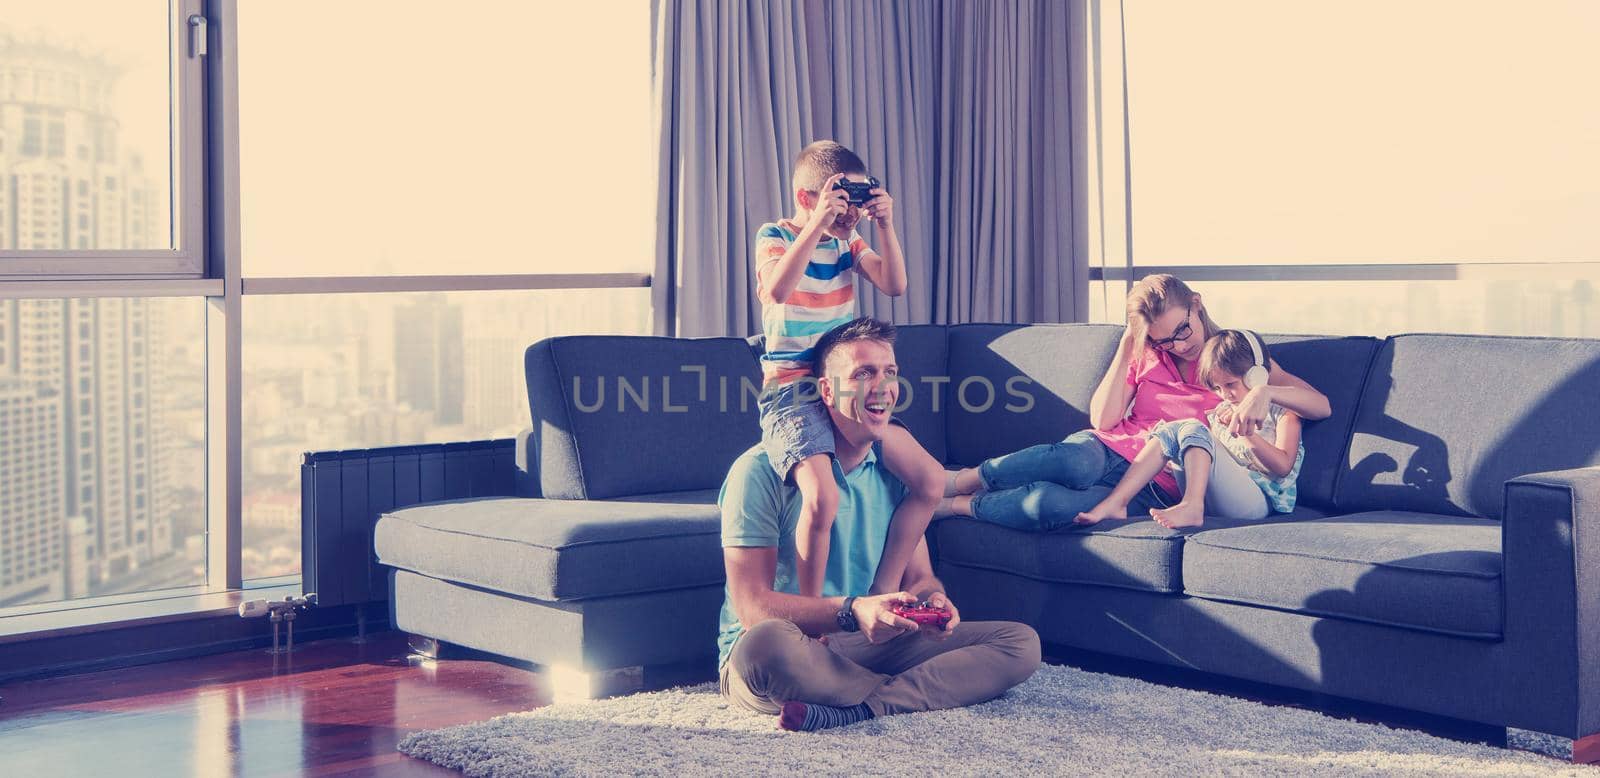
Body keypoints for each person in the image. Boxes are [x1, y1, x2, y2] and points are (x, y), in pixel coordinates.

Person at [719, 318, 1041, 732]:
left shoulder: (897, 475)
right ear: (827, 391)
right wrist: (852, 611)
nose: (882, 386)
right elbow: (752, 608)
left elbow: (922, 577)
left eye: (890, 372)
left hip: (867, 644)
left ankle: (861, 708)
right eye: (863, 373)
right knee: (765, 646)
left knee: (1020, 644)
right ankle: (908, 693)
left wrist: (933, 604)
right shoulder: (758, 471)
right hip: (795, 648)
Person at [939, 274, 1331, 530]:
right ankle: (959, 479)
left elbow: (1319, 404)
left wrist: (1265, 392)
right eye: (1164, 340)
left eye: (1182, 330)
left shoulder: (1234, 360)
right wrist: (1130, 342)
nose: (1179, 345)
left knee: (1051, 507)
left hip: (1156, 483)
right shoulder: (1146, 352)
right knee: (1073, 461)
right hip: (1109, 450)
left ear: (1197, 303)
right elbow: (1104, 420)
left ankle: (959, 505)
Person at [753, 140, 944, 599]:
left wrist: (886, 226)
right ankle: (814, 613)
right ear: (807, 199)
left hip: (847, 393)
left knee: (931, 481)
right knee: (822, 498)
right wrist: (817, 225)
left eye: (857, 203)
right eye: (842, 203)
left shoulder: (849, 241)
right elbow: (777, 291)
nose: (849, 215)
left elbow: (895, 285)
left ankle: (882, 589)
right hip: (793, 393)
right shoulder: (775, 235)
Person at [1073, 330, 1306, 529]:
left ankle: (1193, 506)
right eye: (1217, 388)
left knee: (1192, 426)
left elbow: (1283, 467)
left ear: (1257, 375)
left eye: (1230, 385)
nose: (1225, 395)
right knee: (1172, 428)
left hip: (1259, 502)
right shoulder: (1221, 412)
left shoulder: (1282, 412)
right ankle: (1118, 501)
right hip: (1220, 496)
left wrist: (1246, 434)